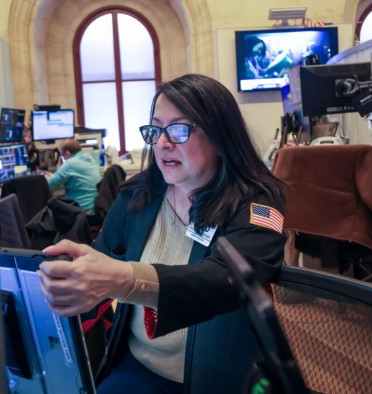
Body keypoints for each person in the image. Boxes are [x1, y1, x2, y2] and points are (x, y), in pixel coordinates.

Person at [37, 74, 286, 393]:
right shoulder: (136, 196)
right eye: (156, 130)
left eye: (179, 129)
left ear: (221, 135)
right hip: (140, 366)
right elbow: (102, 264)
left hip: (221, 377)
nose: (162, 142)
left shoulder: (258, 198)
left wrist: (127, 279)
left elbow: (231, 280)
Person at [44, 138, 102, 215]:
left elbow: (50, 185)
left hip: (81, 213)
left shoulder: (70, 164)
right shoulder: (89, 158)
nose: (63, 158)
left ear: (67, 153)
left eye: (62, 155)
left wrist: (48, 178)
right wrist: (54, 177)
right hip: (95, 210)